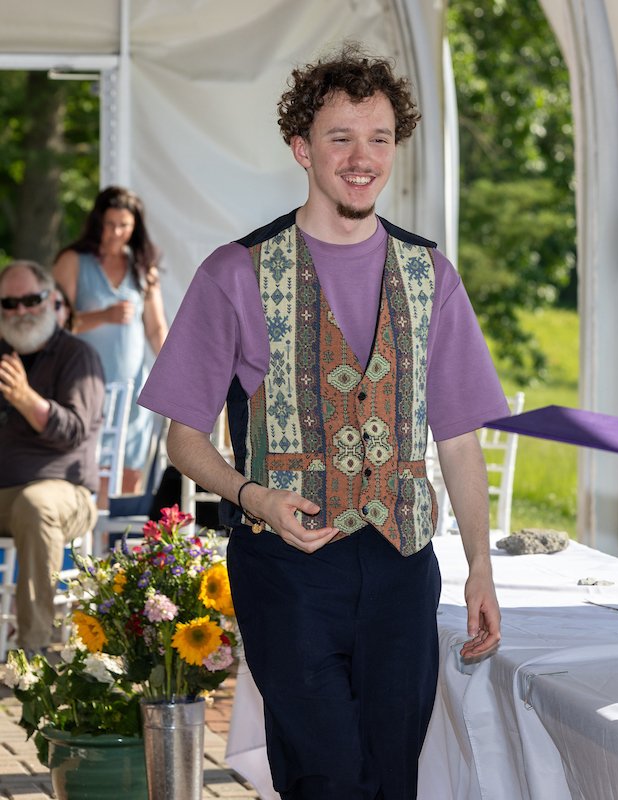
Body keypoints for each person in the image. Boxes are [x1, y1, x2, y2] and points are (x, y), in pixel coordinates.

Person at [138, 43, 507, 799]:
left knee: (392, 778)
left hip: (405, 567)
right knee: (326, 778)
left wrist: (480, 566)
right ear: (303, 148)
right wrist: (256, 498)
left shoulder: (430, 273)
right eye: (341, 137)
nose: (361, 157)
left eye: (378, 138)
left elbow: (460, 436)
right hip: (289, 570)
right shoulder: (235, 272)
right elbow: (183, 436)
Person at [0, 260, 104, 653]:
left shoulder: (78, 357)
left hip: (65, 495)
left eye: (31, 300)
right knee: (28, 502)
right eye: (10, 303)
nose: (21, 311)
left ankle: (32, 655)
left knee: (35, 502)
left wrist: (28, 401)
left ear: (51, 300)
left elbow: (75, 432)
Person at [52, 186, 168, 500]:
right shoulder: (73, 261)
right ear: (97, 222)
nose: (116, 232)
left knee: (130, 476)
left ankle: (118, 549)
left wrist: (175, 375)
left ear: (135, 228)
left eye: (124, 225)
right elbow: (54, 326)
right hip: (82, 386)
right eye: (110, 224)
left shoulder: (143, 267)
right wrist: (102, 315)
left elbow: (156, 329)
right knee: (85, 472)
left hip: (131, 390)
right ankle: (87, 546)